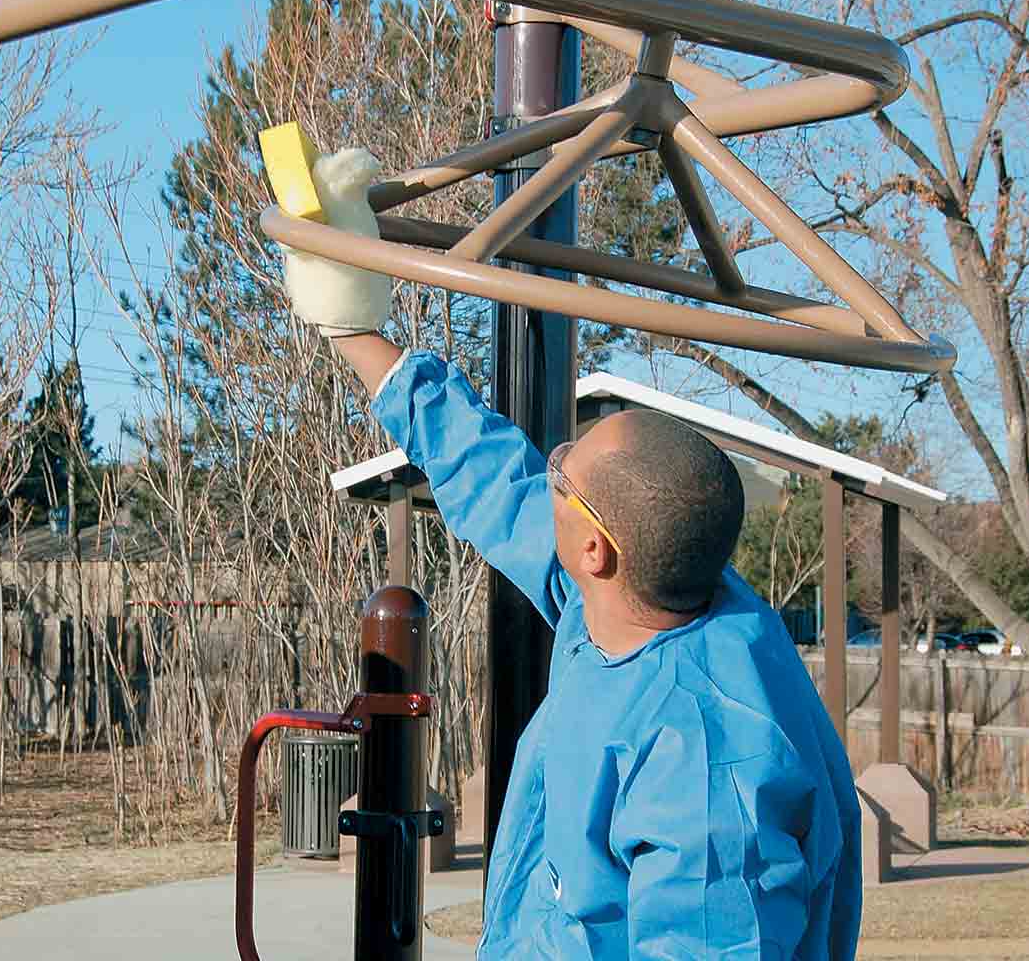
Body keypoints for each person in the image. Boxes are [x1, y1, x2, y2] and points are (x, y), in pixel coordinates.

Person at [284, 146, 862, 959]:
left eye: (563, 473)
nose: (546, 469)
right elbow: (490, 474)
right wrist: (349, 319)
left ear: (594, 548)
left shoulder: (705, 770)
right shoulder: (638, 600)